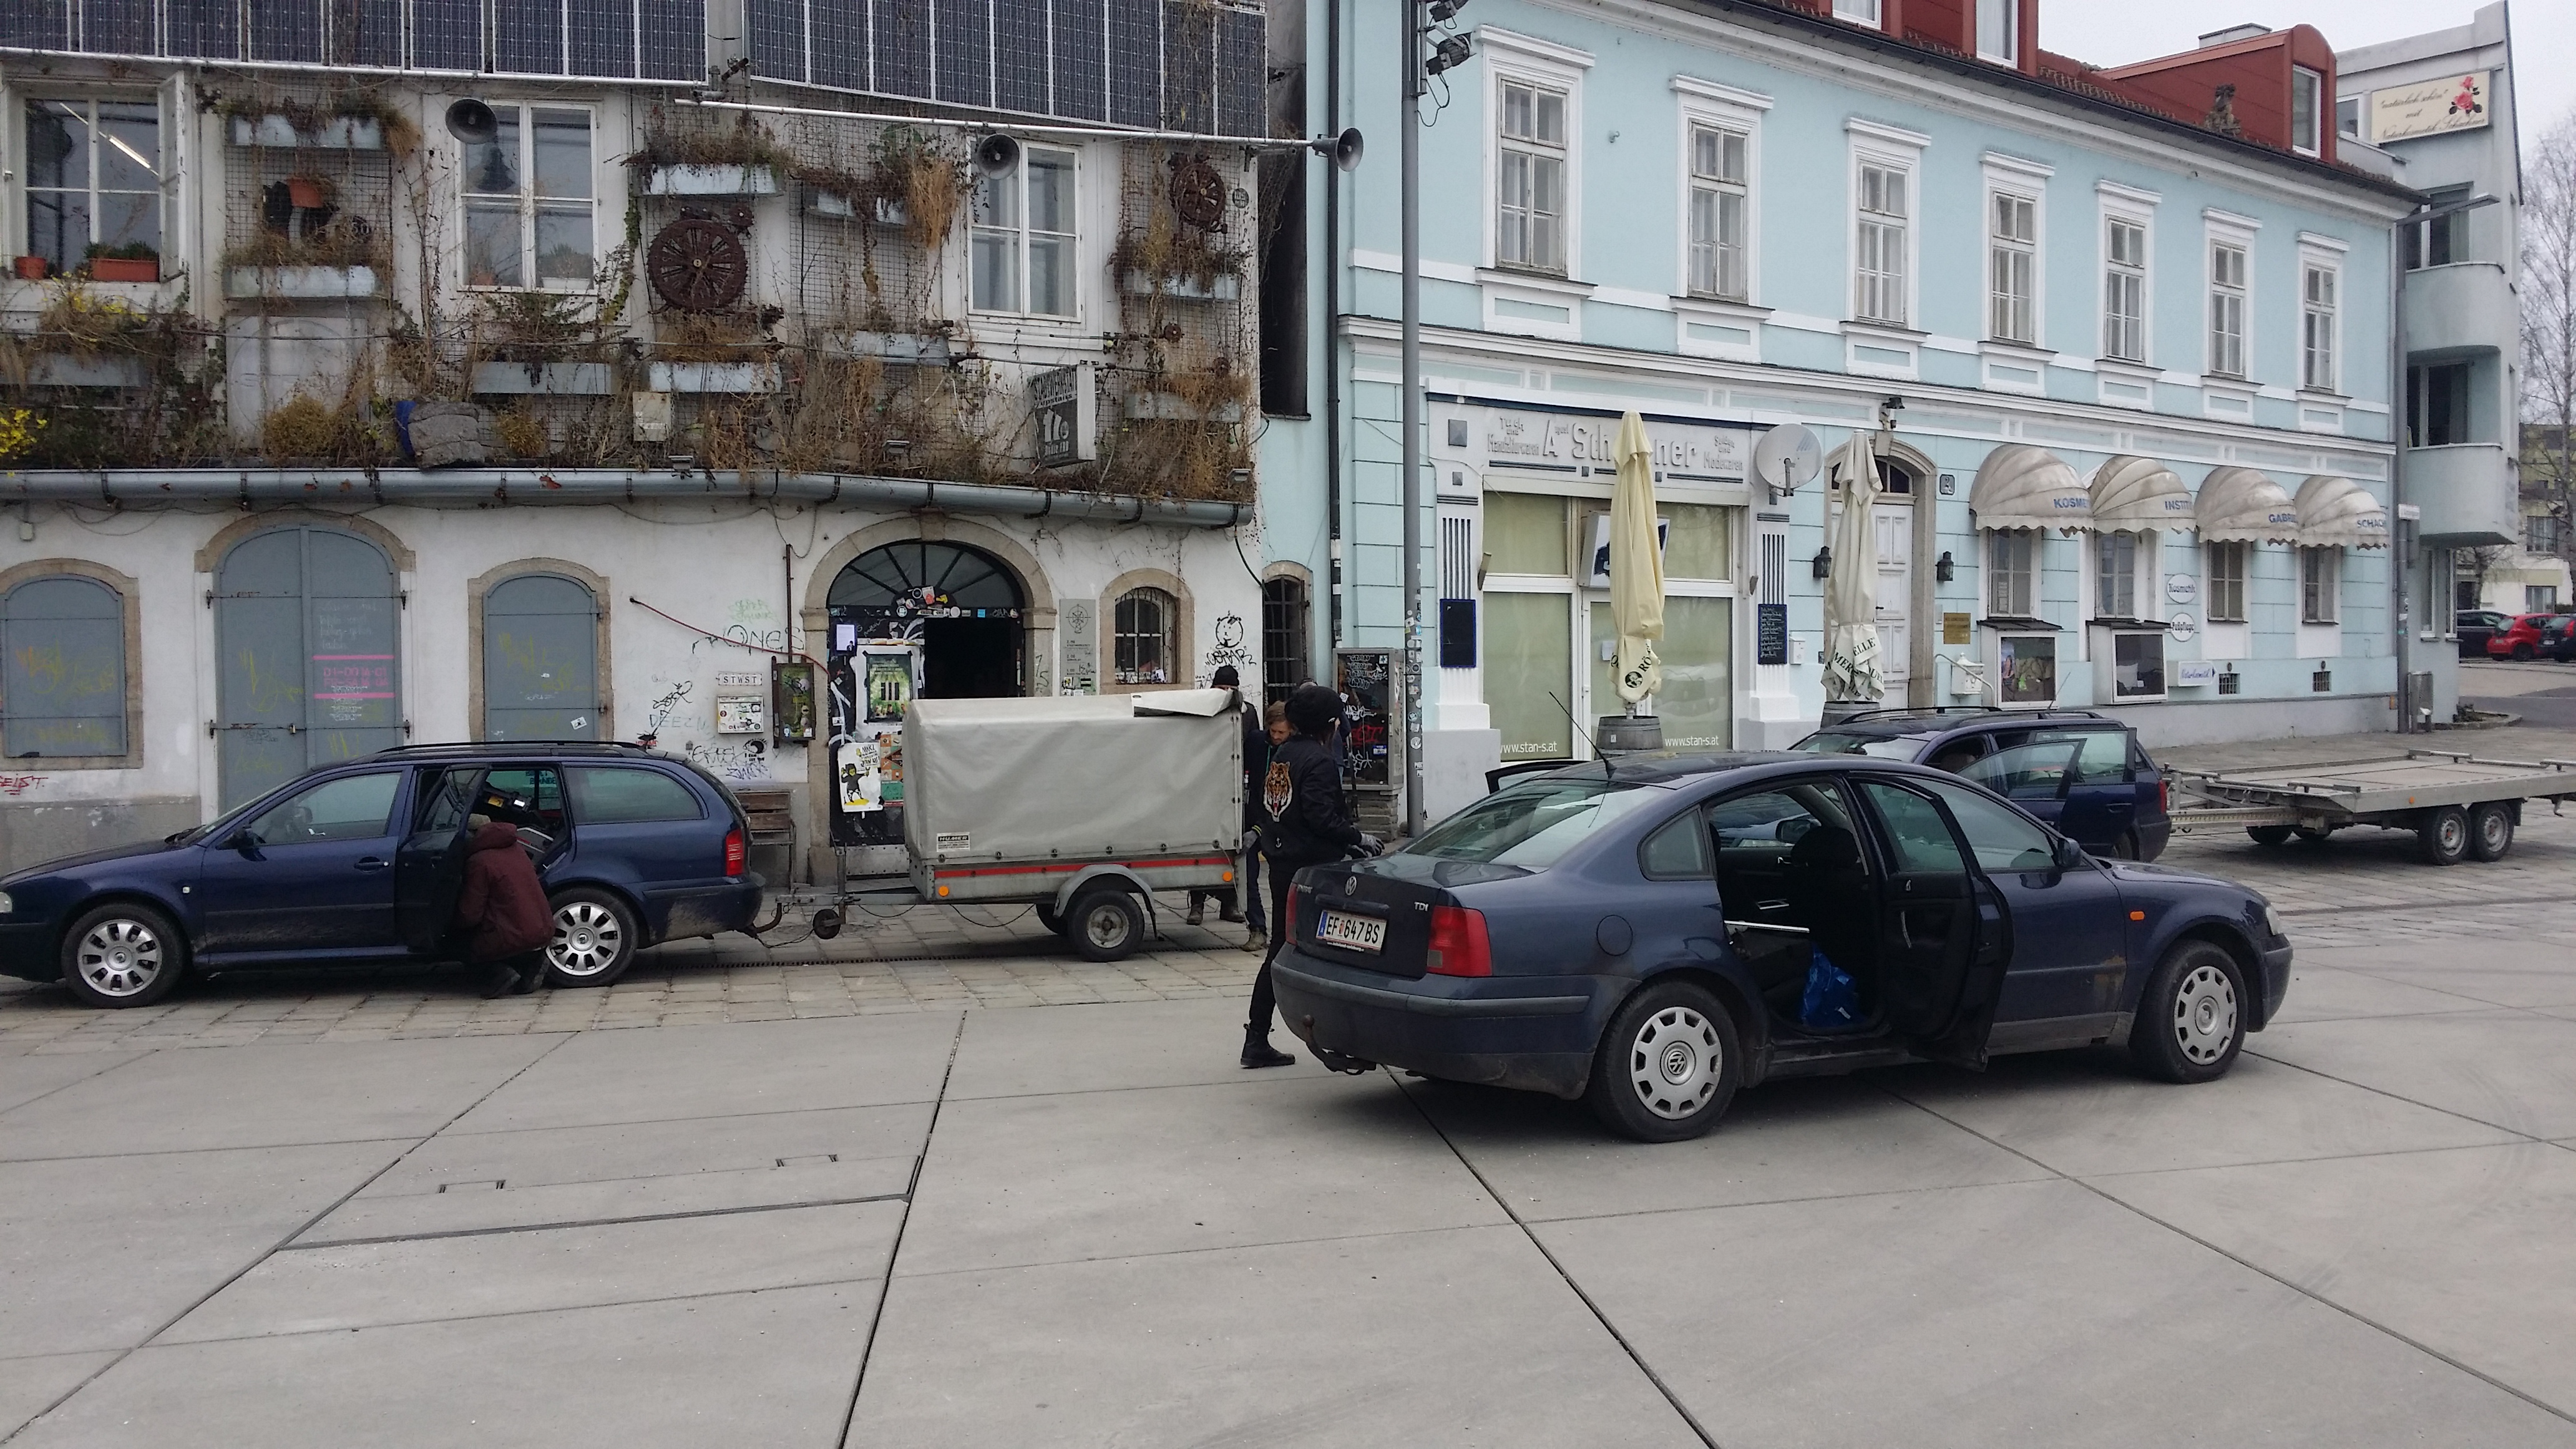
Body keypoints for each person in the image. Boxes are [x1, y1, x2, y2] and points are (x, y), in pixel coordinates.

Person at [1244, 682, 1378, 1068]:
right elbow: (1321, 816)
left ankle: (1257, 1037)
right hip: (1314, 871)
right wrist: (1357, 838)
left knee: (1279, 951)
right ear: (1330, 725)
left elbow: (1281, 810)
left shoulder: (1282, 754)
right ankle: (1348, 1037)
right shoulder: (1318, 761)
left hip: (1284, 864)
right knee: (1340, 951)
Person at [1186, 666, 1267, 935]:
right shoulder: (1203, 708)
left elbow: (1254, 743)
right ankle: (1197, 904)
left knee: (1235, 846)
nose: (1225, 694)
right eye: (1220, 689)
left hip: (1236, 783)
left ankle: (1230, 903)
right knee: (1205, 843)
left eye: (1229, 689)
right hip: (1209, 784)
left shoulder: (1249, 712)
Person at [452, 814, 554, 998]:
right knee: (513, 935)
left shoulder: (479, 862)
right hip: (542, 930)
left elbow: (470, 914)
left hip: (512, 938)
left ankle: (499, 976)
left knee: (462, 944)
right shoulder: (517, 849)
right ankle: (531, 968)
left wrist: (451, 925)